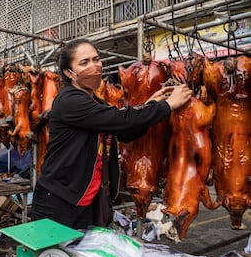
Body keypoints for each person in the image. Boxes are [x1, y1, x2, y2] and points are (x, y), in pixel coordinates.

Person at [30, 38, 192, 229]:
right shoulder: (69, 101)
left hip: (90, 200)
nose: (94, 66)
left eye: (96, 59)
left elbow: (125, 131)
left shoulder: (98, 103)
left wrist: (150, 105)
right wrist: (166, 105)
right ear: (68, 72)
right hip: (58, 200)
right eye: (84, 62)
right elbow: (120, 119)